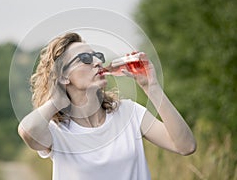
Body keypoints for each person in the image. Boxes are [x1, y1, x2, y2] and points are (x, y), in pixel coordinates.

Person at [18, 32, 196, 180]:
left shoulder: (128, 112)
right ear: (64, 77)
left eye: (97, 56)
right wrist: (57, 101)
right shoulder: (56, 131)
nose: (97, 62)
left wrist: (152, 87)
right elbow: (27, 131)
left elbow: (186, 146)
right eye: (85, 59)